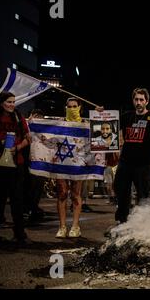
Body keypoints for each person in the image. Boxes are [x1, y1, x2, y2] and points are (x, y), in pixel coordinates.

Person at [0, 92, 30, 243]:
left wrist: (18, 148)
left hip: (16, 163)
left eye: (13, 102)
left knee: (17, 200)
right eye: (9, 102)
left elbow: (28, 138)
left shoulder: (18, 117)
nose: (12, 104)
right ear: (1, 102)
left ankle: (19, 234)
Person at [55, 98, 103, 238]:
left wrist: (99, 115)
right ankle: (62, 226)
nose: (72, 108)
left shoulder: (86, 124)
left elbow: (102, 132)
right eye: (69, 106)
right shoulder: (60, 123)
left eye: (74, 106)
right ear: (66, 107)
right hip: (62, 163)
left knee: (76, 195)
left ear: (80, 107)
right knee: (62, 194)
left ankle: (75, 226)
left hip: (79, 164)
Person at [113, 88, 150, 223]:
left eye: (141, 100)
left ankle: (143, 222)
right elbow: (109, 122)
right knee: (121, 190)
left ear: (147, 101)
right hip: (126, 161)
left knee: (144, 194)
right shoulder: (126, 116)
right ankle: (121, 221)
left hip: (144, 163)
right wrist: (101, 112)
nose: (138, 102)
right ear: (133, 101)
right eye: (136, 99)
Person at [23, 109, 46, 223]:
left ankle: (33, 208)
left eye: (40, 117)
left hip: (41, 164)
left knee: (38, 188)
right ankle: (27, 209)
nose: (38, 119)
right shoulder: (26, 127)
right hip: (28, 162)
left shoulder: (45, 131)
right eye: (36, 116)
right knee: (29, 187)